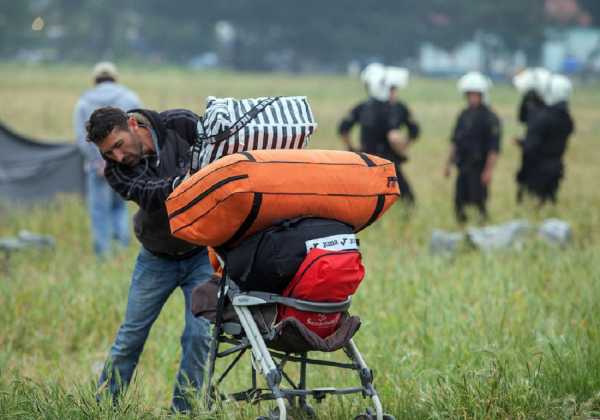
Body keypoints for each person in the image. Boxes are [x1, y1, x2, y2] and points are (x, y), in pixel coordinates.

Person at [85, 106, 213, 413]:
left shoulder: (180, 124)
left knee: (199, 337)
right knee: (130, 337)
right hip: (156, 258)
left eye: (118, 145)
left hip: (202, 255)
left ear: (132, 123)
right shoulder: (114, 170)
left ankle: (185, 411)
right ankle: (105, 409)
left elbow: (217, 150)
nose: (116, 156)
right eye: (108, 152)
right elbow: (150, 195)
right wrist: (190, 181)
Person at [74, 62, 141, 257]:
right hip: (124, 164)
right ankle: (122, 248)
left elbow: (81, 137)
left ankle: (103, 253)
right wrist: (123, 159)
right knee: (120, 206)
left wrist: (98, 161)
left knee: (98, 211)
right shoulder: (130, 97)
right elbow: (138, 129)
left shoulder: (83, 102)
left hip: (96, 168)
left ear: (95, 79)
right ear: (115, 77)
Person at [339, 65, 420, 204]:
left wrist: (352, 150)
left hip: (367, 161)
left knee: (366, 199)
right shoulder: (395, 108)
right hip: (389, 163)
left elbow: (343, 129)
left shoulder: (363, 106)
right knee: (406, 199)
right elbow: (403, 134)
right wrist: (402, 150)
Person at [444, 72, 501, 224]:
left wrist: (488, 171)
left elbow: (494, 148)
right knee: (459, 202)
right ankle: (462, 229)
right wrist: (448, 164)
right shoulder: (463, 115)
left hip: (479, 168)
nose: (472, 98)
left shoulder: (490, 118)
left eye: (475, 94)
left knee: (479, 203)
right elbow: (455, 141)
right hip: (463, 166)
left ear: (482, 95)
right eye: (469, 94)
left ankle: (483, 230)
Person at [516, 74, 574, 204]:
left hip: (537, 168)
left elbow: (532, 146)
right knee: (550, 200)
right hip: (556, 166)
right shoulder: (566, 118)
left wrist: (524, 144)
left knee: (534, 202)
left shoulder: (543, 118)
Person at [512, 67, 551, 203]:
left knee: (536, 177)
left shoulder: (544, 109)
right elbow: (522, 117)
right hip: (531, 147)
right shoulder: (535, 103)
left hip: (539, 152)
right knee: (525, 176)